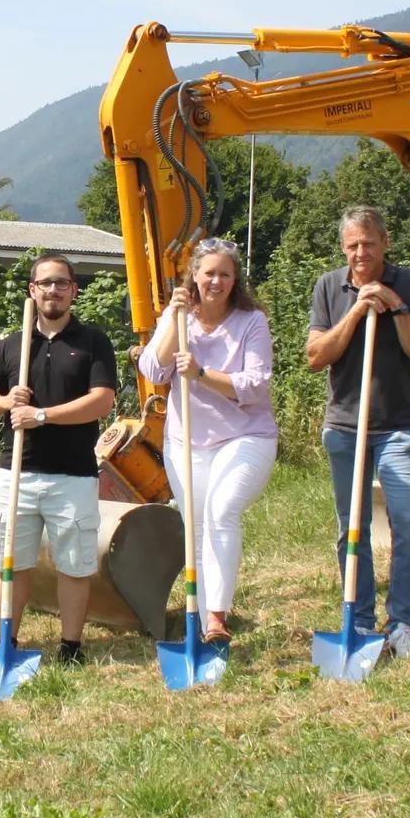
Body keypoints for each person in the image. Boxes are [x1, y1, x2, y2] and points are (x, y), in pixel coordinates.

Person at [305, 207, 410, 657]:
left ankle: (401, 622)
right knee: (352, 529)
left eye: (369, 243)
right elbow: (317, 355)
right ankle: (358, 620)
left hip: (397, 428)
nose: (361, 252)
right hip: (345, 427)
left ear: (385, 242)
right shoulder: (329, 286)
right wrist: (358, 311)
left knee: (407, 525)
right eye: (352, 245)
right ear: (344, 248)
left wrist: (395, 307)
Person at [0, 253, 118, 664]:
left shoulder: (92, 341)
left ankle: (70, 648)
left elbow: (101, 402)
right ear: (32, 291)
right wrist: (7, 401)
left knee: (74, 566)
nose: (53, 290)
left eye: (62, 283)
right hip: (16, 471)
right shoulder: (12, 345)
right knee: (10, 565)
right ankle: (8, 644)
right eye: (45, 283)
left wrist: (42, 416)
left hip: (72, 474)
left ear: (74, 290)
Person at [139, 238, 279, 644]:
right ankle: (200, 622)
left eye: (225, 274)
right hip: (187, 440)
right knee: (196, 528)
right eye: (209, 273)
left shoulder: (251, 321)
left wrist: (200, 374)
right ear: (194, 277)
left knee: (222, 510)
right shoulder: (177, 315)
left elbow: (254, 386)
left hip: (245, 436)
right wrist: (176, 321)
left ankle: (216, 614)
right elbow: (153, 369)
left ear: (235, 280)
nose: (216, 281)